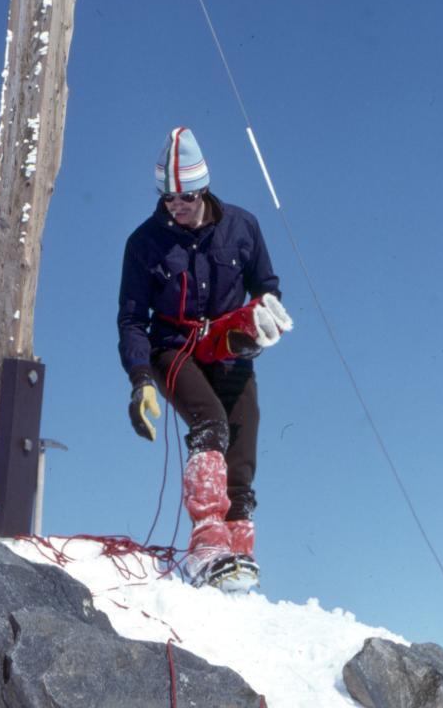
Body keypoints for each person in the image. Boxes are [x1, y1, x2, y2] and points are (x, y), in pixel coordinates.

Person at [118, 126, 292, 589]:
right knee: (209, 422)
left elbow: (267, 288)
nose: (178, 207)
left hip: (231, 350)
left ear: (204, 188)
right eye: (169, 198)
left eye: (187, 197)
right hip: (171, 348)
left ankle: (238, 550)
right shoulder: (143, 244)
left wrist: (263, 317)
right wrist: (141, 379)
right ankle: (206, 541)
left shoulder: (243, 227)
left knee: (242, 444)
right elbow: (132, 319)